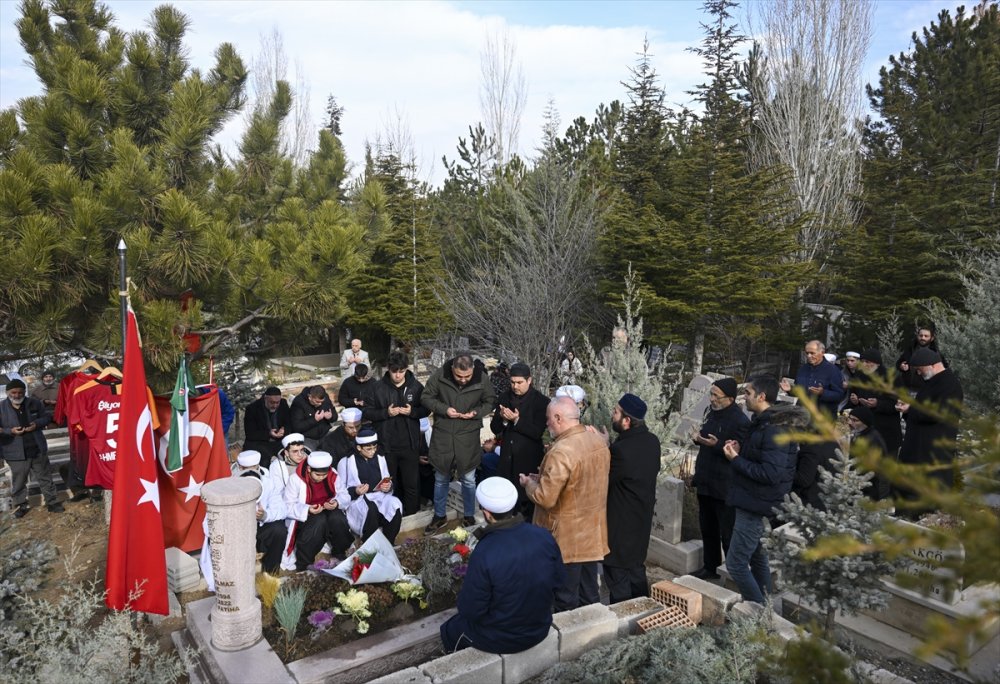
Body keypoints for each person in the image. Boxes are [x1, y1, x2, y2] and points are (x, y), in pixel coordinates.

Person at [440, 477, 565, 654]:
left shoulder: (485, 551)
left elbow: (471, 609)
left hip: (503, 639)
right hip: (540, 627)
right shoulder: (543, 535)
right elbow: (559, 581)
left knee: (449, 629)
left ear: (487, 513)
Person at [521, 396, 610, 612]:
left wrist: (528, 484)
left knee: (564, 597)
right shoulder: (597, 440)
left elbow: (545, 498)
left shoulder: (561, 451)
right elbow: (581, 481)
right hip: (592, 531)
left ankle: (570, 642)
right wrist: (542, 476)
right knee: (590, 592)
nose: (547, 423)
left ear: (559, 418)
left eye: (548, 419)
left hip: (566, 538)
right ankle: (594, 633)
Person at [723, 376, 803, 604]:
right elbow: (762, 457)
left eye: (747, 392)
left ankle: (760, 615)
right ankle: (767, 607)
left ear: (761, 396)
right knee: (758, 558)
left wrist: (736, 459)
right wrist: (741, 449)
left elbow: (771, 473)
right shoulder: (763, 422)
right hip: (754, 499)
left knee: (736, 564)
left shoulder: (774, 428)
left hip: (756, 504)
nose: (744, 397)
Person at [421, 354, 496, 534]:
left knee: (469, 479)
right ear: (453, 368)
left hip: (468, 434)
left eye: (467, 377)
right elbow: (426, 397)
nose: (463, 380)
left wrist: (476, 412)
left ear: (472, 370)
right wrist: (444, 409)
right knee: (441, 478)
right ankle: (439, 516)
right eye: (459, 376)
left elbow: (490, 401)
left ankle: (469, 514)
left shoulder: (482, 379)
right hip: (444, 433)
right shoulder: (440, 375)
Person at [603, 393, 661, 603]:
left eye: (616, 412)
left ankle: (624, 623)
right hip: (641, 521)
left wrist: (604, 448)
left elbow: (605, 479)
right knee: (636, 571)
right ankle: (644, 613)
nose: (612, 415)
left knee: (618, 578)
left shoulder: (621, 450)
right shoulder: (652, 441)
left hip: (620, 526)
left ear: (626, 421)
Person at [690, 378, 749, 580]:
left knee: (727, 533)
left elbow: (738, 452)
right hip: (706, 479)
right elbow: (706, 439)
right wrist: (697, 439)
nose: (712, 399)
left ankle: (732, 573)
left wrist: (716, 444)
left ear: (730, 399)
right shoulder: (710, 412)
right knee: (707, 529)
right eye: (711, 394)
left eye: (717, 395)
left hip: (724, 485)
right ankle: (710, 567)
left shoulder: (740, 421)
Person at [363, 351, 427, 515]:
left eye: (401, 371)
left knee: (411, 483)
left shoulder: (416, 387)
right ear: (388, 369)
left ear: (407, 369)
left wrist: (412, 412)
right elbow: (367, 412)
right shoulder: (377, 388)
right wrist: (386, 413)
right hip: (387, 445)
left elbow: (426, 410)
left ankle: (412, 514)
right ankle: (394, 515)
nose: (398, 375)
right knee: (391, 483)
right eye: (394, 371)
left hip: (410, 444)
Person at [896, 347, 963, 494]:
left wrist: (910, 409)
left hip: (933, 448)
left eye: (919, 369)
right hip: (920, 444)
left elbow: (938, 413)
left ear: (931, 365)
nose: (918, 373)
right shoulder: (932, 381)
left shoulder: (949, 384)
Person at [489, 363, 548, 518]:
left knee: (526, 504)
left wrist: (517, 421)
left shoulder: (541, 402)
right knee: (507, 500)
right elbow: (495, 428)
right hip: (507, 458)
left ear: (529, 380)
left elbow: (537, 432)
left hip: (528, 459)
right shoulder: (504, 397)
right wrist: (503, 420)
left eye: (519, 382)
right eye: (513, 382)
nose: (515, 386)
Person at [1, 379, 64, 518]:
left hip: (37, 448)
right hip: (14, 452)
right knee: (19, 481)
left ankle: (52, 502)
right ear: (7, 393)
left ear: (25, 392)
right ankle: (20, 506)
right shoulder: (1, 407)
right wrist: (10, 431)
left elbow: (47, 417)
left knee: (45, 477)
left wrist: (36, 424)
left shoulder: (34, 403)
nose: (17, 395)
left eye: (20, 392)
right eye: (13, 392)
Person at [283, 451, 354, 571]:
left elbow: (345, 495)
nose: (321, 478)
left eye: (324, 475)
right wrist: (308, 509)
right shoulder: (296, 479)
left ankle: (339, 554)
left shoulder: (332, 475)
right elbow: (287, 506)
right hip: (306, 516)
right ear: (309, 469)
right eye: (318, 475)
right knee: (318, 521)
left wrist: (336, 502)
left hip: (328, 510)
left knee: (337, 519)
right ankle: (304, 564)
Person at [337, 428, 403, 544]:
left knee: (395, 504)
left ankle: (389, 542)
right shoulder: (346, 462)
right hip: (358, 500)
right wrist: (355, 491)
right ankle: (369, 545)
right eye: (368, 449)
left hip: (380, 496)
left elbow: (387, 478)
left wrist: (388, 486)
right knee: (370, 509)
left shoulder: (380, 458)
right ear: (359, 448)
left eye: (374, 448)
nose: (372, 452)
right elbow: (340, 490)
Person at [232, 450, 288, 573]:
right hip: (237, 530)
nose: (251, 471)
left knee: (279, 530)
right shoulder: (229, 482)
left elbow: (282, 509)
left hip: (260, 527)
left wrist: (265, 515)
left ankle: (271, 573)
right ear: (240, 467)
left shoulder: (268, 481)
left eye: (254, 468)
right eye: (246, 468)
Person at [848, 349, 903, 458]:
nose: (864, 364)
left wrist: (878, 404)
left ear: (877, 363)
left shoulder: (891, 378)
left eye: (868, 362)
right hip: (865, 429)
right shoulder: (859, 376)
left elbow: (897, 404)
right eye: (862, 361)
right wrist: (854, 400)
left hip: (886, 429)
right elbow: (854, 393)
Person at [269, 432, 310, 570]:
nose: (300, 455)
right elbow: (277, 493)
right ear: (286, 452)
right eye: (295, 451)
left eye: (302, 450)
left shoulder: (309, 462)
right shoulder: (278, 467)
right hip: (287, 506)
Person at [780, 340, 845, 416]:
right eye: (807, 353)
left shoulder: (833, 370)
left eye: (812, 353)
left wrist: (822, 393)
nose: (809, 356)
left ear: (822, 352)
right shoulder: (803, 369)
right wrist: (790, 389)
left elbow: (839, 395)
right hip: (802, 415)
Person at [847, 406, 891, 501]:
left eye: (855, 420)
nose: (850, 423)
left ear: (865, 423)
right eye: (850, 419)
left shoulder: (872, 440)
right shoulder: (859, 434)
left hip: (869, 489)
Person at [243, 386, 290, 468]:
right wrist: (269, 433)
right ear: (265, 398)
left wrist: (284, 429)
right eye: (272, 402)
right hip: (260, 442)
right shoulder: (252, 409)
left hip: (278, 441)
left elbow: (289, 423)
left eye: (277, 402)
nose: (275, 406)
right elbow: (250, 433)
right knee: (265, 461)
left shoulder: (283, 404)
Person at [289, 385, 337, 450]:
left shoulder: (325, 397)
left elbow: (334, 415)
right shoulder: (299, 402)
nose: (320, 404)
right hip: (307, 438)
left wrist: (330, 417)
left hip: (324, 434)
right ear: (310, 397)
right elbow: (296, 427)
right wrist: (315, 420)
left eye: (322, 402)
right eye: (317, 402)